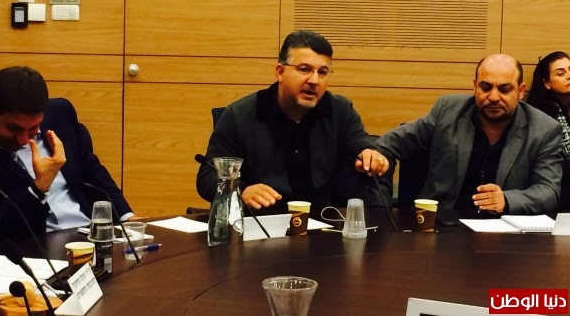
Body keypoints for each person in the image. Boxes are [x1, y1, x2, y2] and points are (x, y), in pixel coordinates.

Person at [196, 30, 391, 213]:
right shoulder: (240, 115)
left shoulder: (340, 110)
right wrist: (240, 190)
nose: (314, 80)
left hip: (323, 225)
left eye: (322, 72)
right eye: (304, 69)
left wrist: (370, 155)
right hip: (260, 224)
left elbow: (360, 145)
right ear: (280, 72)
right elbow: (207, 176)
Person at [374, 53, 563, 215]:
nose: (494, 97)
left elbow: (548, 190)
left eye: (504, 89)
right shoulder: (447, 111)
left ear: (520, 91)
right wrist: (379, 211)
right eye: (486, 87)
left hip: (503, 231)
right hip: (442, 227)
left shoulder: (544, 129)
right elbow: (385, 146)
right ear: (475, 86)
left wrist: (507, 200)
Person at [0, 66, 136, 246]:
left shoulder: (60, 113)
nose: (24, 140)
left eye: (33, 128)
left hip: (89, 236)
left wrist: (127, 218)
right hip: (36, 248)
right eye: (13, 128)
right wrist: (38, 189)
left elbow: (92, 171)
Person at [525, 51, 570, 211]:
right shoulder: (540, 116)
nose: (569, 76)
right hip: (556, 188)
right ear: (547, 83)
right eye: (560, 73)